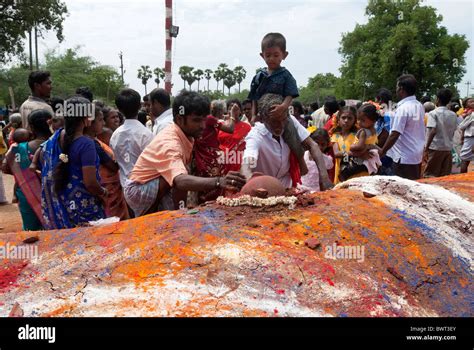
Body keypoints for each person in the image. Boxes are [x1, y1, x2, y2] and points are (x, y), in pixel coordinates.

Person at [124, 91, 246, 217]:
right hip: (138, 189)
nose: (203, 126)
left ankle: (176, 215)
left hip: (156, 183)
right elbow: (180, 181)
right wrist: (219, 181)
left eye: (204, 120)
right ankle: (175, 216)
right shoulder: (170, 143)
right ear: (179, 119)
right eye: (197, 120)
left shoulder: (186, 133)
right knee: (177, 179)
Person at [241, 93, 333, 190]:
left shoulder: (290, 122)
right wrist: (249, 180)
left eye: (283, 120)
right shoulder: (255, 135)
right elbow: (248, 160)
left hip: (288, 188)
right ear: (263, 119)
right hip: (264, 191)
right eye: (274, 122)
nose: (280, 126)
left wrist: (324, 177)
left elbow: (313, 146)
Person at [40, 96, 106, 229]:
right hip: (84, 205)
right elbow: (91, 183)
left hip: (62, 201)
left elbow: (43, 158)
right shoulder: (86, 144)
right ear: (85, 117)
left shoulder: (56, 138)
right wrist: (104, 192)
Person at [248, 33, 308, 177]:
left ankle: (301, 161)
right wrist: (254, 115)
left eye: (276, 55)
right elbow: (254, 97)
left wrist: (283, 107)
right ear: (262, 55)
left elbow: (290, 94)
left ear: (284, 55)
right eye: (268, 55)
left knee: (292, 137)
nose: (272, 59)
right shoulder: (259, 76)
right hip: (264, 116)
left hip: (281, 114)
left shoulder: (285, 75)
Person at [3, 109, 52, 230]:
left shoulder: (19, 148)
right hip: (54, 194)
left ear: (31, 127)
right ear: (51, 123)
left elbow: (5, 168)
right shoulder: (58, 144)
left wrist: (23, 173)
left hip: (26, 193)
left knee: (31, 230)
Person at [84, 105, 130, 220]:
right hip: (107, 190)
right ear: (90, 122)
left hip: (111, 189)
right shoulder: (92, 144)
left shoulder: (94, 140)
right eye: (100, 120)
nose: (103, 123)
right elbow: (112, 166)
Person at [379, 74, 425, 180]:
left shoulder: (403, 108)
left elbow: (395, 133)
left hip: (404, 158)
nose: (396, 90)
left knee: (403, 190)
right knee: (413, 185)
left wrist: (383, 151)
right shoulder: (419, 105)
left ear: (401, 89)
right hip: (415, 155)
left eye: (396, 87)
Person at [110, 89, 154, 190]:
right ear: (140, 106)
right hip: (146, 188)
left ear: (119, 109)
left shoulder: (115, 135)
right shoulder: (146, 134)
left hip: (125, 186)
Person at [193, 100, 237, 202]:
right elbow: (230, 129)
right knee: (215, 184)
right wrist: (233, 114)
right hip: (210, 157)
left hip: (202, 156)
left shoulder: (206, 119)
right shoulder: (210, 119)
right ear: (220, 110)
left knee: (205, 183)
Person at [339, 104, 381, 181]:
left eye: (363, 120)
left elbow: (360, 147)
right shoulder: (374, 131)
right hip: (367, 160)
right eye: (359, 119)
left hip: (361, 161)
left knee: (345, 173)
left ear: (373, 121)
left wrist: (352, 147)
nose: (359, 122)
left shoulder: (363, 131)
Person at [423, 88, 458, 177]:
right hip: (448, 148)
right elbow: (453, 131)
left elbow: (433, 131)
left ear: (437, 99)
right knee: (444, 176)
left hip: (435, 148)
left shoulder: (433, 113)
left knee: (430, 175)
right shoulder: (453, 115)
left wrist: (426, 148)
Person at [217, 99, 252, 174]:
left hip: (239, 164)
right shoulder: (221, 126)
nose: (233, 111)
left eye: (236, 109)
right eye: (230, 108)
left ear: (240, 112)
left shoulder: (247, 127)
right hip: (222, 163)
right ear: (227, 110)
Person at [330, 106, 360, 184]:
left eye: (350, 118)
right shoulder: (335, 136)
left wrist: (344, 153)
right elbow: (336, 153)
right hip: (339, 171)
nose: (346, 121)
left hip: (355, 171)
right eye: (343, 118)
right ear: (338, 119)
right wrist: (353, 153)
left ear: (354, 120)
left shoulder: (358, 135)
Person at [459, 97, 474, 173]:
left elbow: (461, 126)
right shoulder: (467, 113)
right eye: (470, 102)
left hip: (471, 139)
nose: (473, 103)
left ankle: (462, 177)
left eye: (473, 101)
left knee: (464, 159)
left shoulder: (471, 114)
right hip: (469, 138)